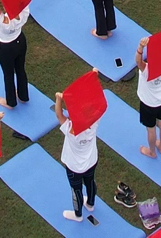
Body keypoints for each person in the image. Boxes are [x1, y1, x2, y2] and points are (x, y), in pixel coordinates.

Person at [55, 86, 99, 222]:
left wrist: (58, 99)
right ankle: (90, 204)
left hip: (74, 167)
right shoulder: (94, 123)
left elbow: (59, 114)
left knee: (76, 190)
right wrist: (94, 79)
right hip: (91, 161)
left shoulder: (70, 130)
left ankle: (78, 215)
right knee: (90, 182)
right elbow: (95, 104)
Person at [0, 0, 30, 106]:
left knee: (8, 75)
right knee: (20, 69)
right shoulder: (24, 13)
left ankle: (11, 102)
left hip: (7, 49)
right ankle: (23, 96)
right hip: (20, 41)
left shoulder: (5, 23)